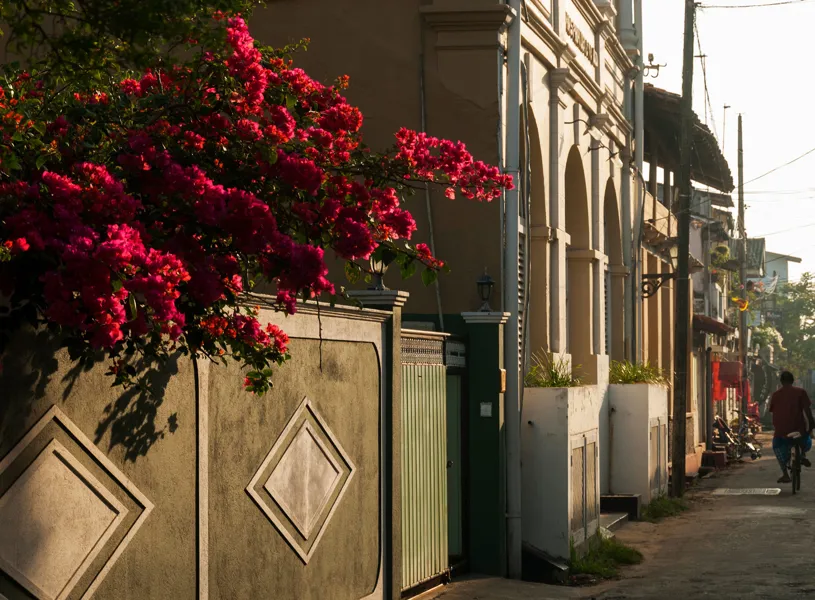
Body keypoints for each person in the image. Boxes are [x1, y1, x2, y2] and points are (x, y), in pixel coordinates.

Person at [769, 371, 815, 483]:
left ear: (781, 382)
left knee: (777, 446)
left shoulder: (775, 395)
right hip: (799, 430)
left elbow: (772, 412)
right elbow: (807, 412)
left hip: (781, 432)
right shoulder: (800, 392)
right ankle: (802, 454)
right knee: (806, 440)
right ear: (793, 381)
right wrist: (811, 427)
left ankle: (785, 474)